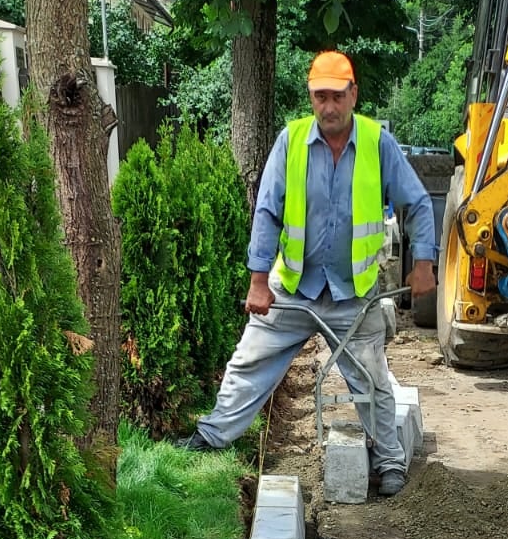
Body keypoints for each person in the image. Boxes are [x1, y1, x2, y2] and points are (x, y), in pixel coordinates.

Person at [182, 50, 438, 496]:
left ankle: (389, 462)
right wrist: (258, 281)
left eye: (337, 96)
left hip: (352, 294)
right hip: (293, 290)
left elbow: (416, 203)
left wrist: (423, 265)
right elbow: (268, 210)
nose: (329, 107)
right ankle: (211, 437)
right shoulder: (292, 141)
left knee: (373, 378)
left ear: (353, 94)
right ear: (311, 96)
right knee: (250, 361)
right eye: (321, 97)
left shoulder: (377, 143)